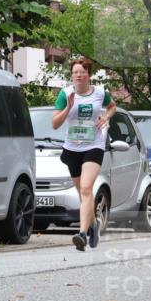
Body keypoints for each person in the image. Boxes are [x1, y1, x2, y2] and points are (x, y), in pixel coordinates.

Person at [51, 58, 116, 251]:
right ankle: (93, 224)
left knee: (87, 189)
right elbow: (55, 123)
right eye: (75, 72)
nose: (79, 75)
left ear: (88, 74)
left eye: (82, 72)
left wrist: (106, 117)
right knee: (82, 194)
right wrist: (68, 108)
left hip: (94, 146)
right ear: (72, 76)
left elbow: (113, 106)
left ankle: (81, 233)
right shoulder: (65, 94)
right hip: (72, 149)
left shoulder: (100, 93)